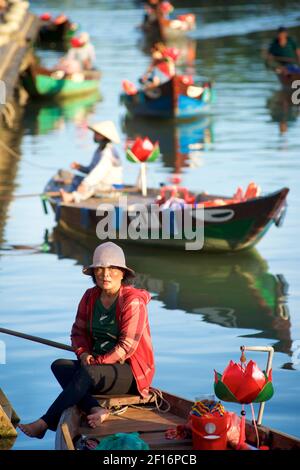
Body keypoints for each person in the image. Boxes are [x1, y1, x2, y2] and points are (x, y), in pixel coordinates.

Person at [18, 242, 155, 439]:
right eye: (100, 269)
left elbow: (126, 347)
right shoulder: (90, 297)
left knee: (87, 373)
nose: (105, 274)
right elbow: (77, 332)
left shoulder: (133, 301)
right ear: (93, 273)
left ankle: (45, 422)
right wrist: (83, 353)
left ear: (122, 273)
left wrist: (96, 362)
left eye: (112, 269)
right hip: (96, 369)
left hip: (129, 372)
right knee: (59, 366)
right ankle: (96, 409)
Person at [60, 121, 123, 203]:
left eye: (97, 134)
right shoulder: (100, 150)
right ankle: (72, 194)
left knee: (90, 186)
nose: (94, 135)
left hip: (112, 189)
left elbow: (97, 173)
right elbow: (91, 170)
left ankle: (72, 197)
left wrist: (85, 184)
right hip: (102, 184)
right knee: (76, 179)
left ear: (104, 136)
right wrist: (79, 167)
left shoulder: (108, 153)